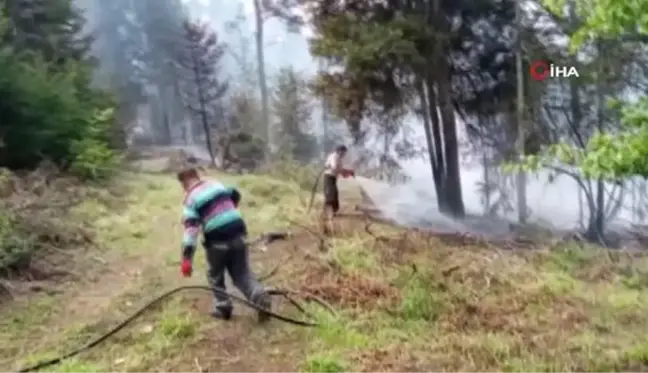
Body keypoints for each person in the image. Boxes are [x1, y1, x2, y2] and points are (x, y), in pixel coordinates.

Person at [177, 164, 271, 322]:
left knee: (214, 274)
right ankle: (259, 296)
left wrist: (187, 259)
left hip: (217, 239)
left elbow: (191, 231)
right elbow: (234, 193)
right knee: (242, 273)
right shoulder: (215, 184)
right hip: (238, 231)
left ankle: (223, 306)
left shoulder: (190, 199)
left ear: (184, 183)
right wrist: (227, 210)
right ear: (197, 176)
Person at [322, 145, 355, 222]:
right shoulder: (334, 156)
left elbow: (340, 171)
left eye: (345, 153)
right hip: (329, 177)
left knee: (334, 195)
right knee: (331, 195)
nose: (344, 154)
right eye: (343, 152)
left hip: (333, 178)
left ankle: (332, 213)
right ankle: (327, 214)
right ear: (339, 151)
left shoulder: (339, 159)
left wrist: (347, 173)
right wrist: (347, 172)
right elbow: (334, 168)